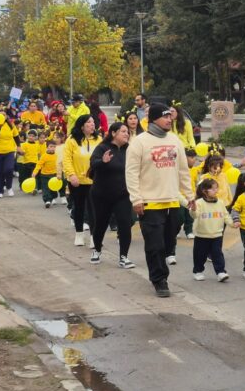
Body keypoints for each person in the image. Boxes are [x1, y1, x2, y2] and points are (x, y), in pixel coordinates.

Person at [125, 103, 194, 297]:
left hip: (172, 201)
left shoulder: (174, 140)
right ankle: (159, 279)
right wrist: (136, 199)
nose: (170, 119)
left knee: (167, 242)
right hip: (149, 202)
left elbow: (183, 171)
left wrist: (190, 196)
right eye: (165, 117)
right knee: (155, 244)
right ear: (154, 118)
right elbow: (131, 173)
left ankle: (159, 270)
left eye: (170, 116)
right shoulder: (139, 142)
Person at [88, 122, 135, 269]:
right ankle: (97, 250)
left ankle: (124, 257)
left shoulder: (130, 150)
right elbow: (93, 164)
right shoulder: (103, 147)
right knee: (100, 224)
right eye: (123, 131)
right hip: (102, 195)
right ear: (113, 133)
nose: (127, 134)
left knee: (125, 225)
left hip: (123, 195)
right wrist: (102, 161)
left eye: (127, 132)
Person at [63, 114, 100, 247]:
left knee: (94, 210)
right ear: (82, 126)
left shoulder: (99, 139)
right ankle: (79, 234)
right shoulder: (71, 140)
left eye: (93, 122)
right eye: (89, 122)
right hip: (77, 181)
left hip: (94, 181)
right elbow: (66, 159)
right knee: (78, 208)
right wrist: (72, 175)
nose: (92, 124)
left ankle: (93, 237)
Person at [191, 178, 232, 282]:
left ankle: (221, 272)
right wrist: (193, 209)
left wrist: (232, 223)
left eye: (217, 188)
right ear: (205, 191)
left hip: (217, 234)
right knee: (200, 255)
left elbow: (225, 215)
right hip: (202, 235)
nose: (216, 191)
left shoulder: (220, 203)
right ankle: (198, 271)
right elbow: (194, 215)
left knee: (217, 254)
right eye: (213, 189)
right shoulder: (199, 203)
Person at [0, 112, 20, 198]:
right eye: (1, 115)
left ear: (6, 116)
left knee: (9, 169)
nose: (3, 116)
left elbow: (16, 136)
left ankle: (9, 187)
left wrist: (19, 146)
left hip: (9, 150)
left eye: (4, 115)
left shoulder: (10, 124)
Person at [32, 140, 58, 208]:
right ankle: (47, 201)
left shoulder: (57, 155)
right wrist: (35, 172)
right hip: (45, 175)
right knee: (45, 188)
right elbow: (39, 165)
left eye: (54, 147)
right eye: (51, 146)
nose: (52, 148)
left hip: (54, 175)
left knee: (53, 189)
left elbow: (61, 164)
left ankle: (53, 197)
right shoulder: (44, 156)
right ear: (47, 148)